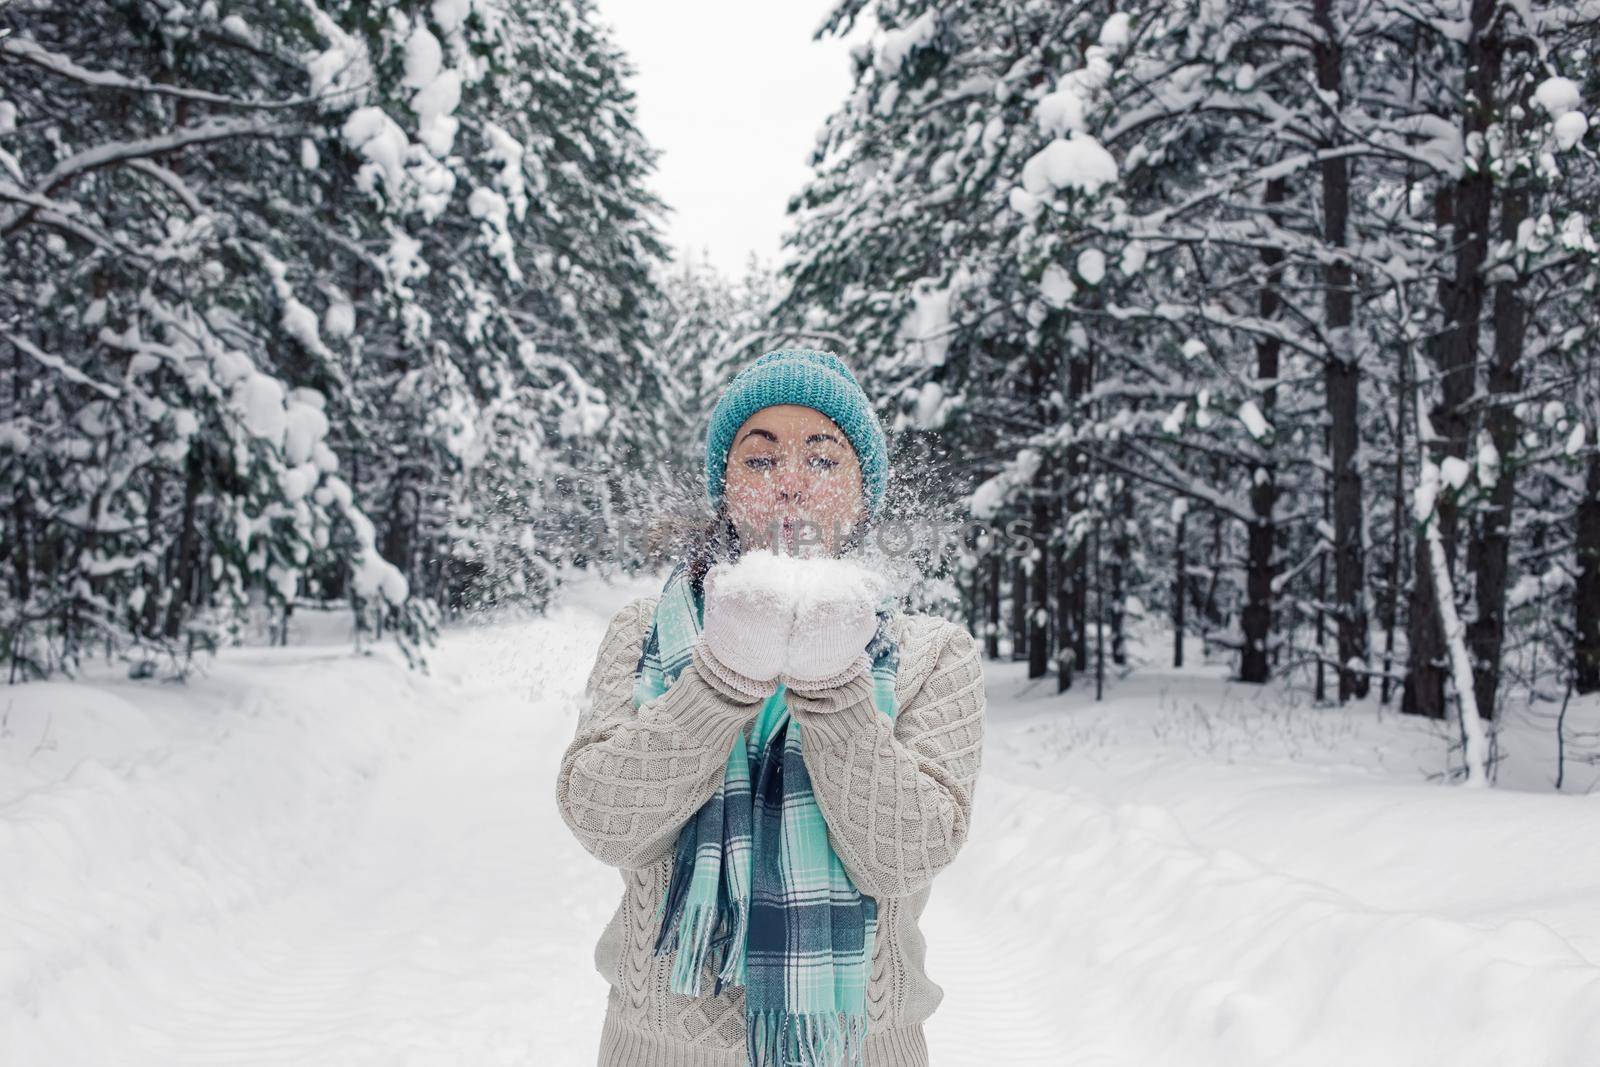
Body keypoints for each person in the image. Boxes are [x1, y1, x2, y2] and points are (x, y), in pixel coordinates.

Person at [555, 348, 986, 1067]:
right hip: (657, 1048)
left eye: (822, 459)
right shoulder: (645, 634)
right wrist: (720, 678)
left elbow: (904, 858)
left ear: (862, 493)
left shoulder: (932, 653)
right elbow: (605, 822)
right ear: (725, 489)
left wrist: (836, 689)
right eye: (759, 461)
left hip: (860, 1050)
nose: (789, 482)